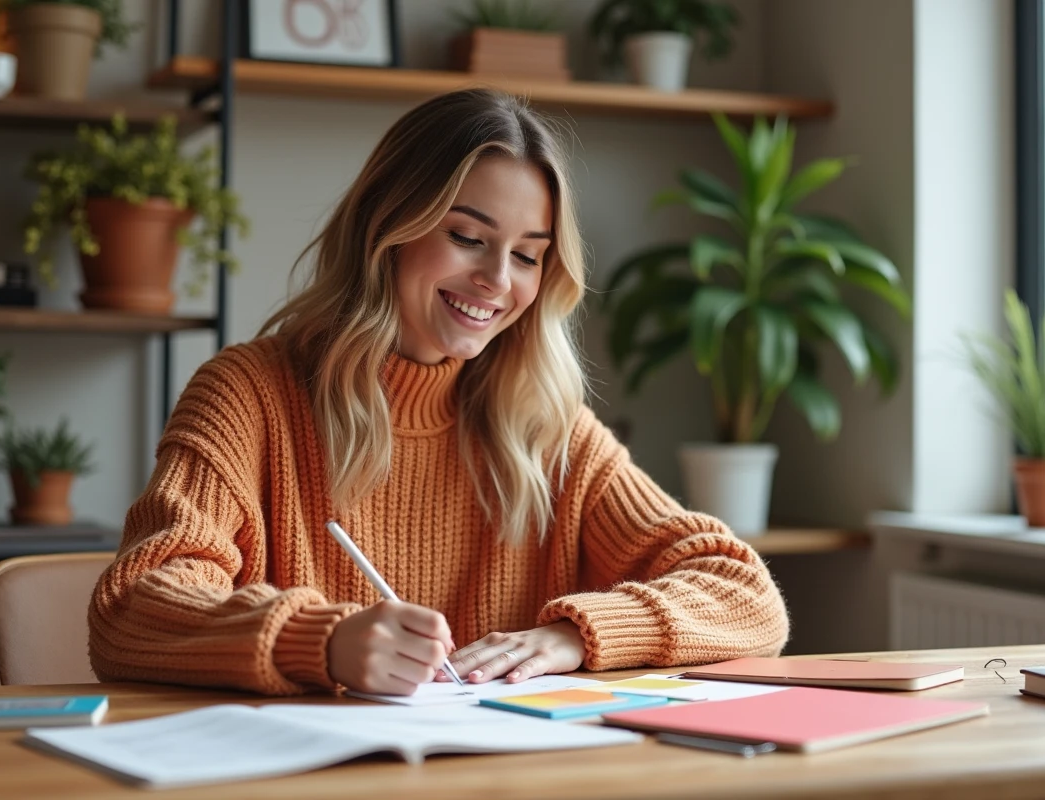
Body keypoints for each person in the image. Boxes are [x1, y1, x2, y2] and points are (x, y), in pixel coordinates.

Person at [88, 89, 789, 697]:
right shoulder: (249, 395)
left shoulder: (544, 426)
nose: (496, 280)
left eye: (526, 255)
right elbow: (133, 609)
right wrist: (320, 641)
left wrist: (574, 636)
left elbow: (747, 597)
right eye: (466, 236)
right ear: (385, 229)